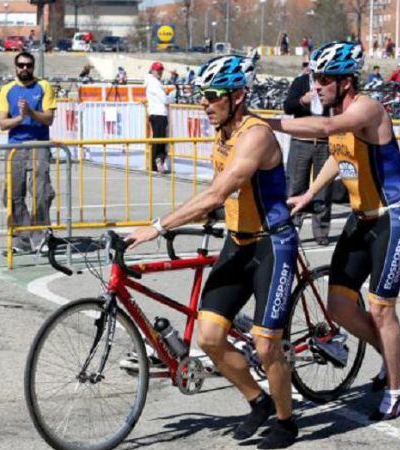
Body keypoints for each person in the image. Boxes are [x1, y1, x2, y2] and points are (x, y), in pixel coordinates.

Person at [127, 52, 300, 449]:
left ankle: (286, 421)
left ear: (237, 96)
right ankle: (258, 401)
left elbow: (217, 193)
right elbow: (222, 195)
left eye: (212, 96)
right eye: (201, 95)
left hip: (272, 243)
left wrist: (158, 226)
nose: (204, 103)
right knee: (207, 337)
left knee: (265, 343)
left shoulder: (255, 135)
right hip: (237, 240)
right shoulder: (222, 132)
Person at [266, 41, 400, 421]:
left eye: (322, 79)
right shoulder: (339, 111)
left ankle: (395, 390)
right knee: (338, 306)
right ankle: (392, 351)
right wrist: (308, 193)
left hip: (392, 216)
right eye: (314, 78)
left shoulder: (366, 108)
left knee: (380, 309)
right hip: (360, 217)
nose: (314, 86)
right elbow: (339, 153)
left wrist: (266, 122)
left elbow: (330, 128)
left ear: (346, 81)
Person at [0, 52, 57, 253]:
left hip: (39, 144)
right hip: (15, 147)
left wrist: (31, 113)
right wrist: (21, 118)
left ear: (33, 67)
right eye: (21, 65)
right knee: (13, 193)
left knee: (41, 192)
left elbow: (48, 118)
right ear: (15, 67)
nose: (24, 69)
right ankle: (21, 238)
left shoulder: (44, 87)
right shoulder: (7, 90)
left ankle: (40, 235)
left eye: (28, 65)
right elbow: (3, 123)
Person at [284, 55, 332, 246]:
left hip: (323, 142)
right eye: (305, 66)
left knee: (323, 189)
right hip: (301, 140)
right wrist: (303, 100)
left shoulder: (329, 84)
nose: (307, 69)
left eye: (309, 66)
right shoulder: (300, 82)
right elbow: (287, 106)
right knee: (296, 186)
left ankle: (321, 231)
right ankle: (292, 227)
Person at [146, 61, 170, 173]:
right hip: (159, 113)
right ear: (153, 71)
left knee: (158, 139)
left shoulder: (152, 82)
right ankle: (155, 163)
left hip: (156, 113)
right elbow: (164, 99)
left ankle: (155, 163)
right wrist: (170, 97)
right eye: (158, 70)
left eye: (161, 70)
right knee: (159, 140)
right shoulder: (154, 83)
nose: (160, 72)